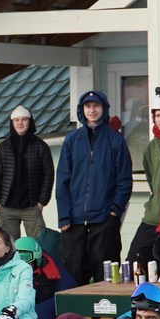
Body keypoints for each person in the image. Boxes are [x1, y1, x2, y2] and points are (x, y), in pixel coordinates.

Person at [55, 90, 132, 284]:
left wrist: (115, 211)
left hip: (104, 219)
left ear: (104, 109)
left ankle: (105, 314)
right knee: (73, 273)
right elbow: (62, 179)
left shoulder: (115, 140)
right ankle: (73, 314)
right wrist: (64, 214)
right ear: (82, 110)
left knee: (105, 273)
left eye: (96, 106)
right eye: (87, 106)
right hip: (73, 221)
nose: (92, 110)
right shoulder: (72, 140)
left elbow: (124, 179)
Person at [0, 104, 55, 245]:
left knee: (40, 246)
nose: (20, 123)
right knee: (8, 249)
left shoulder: (40, 146)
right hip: (7, 207)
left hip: (32, 206)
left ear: (30, 122)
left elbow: (48, 174)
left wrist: (42, 202)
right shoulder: (3, 147)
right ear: (12, 123)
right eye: (16, 120)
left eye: (24, 119)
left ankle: (39, 269)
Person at [126, 102, 160, 274]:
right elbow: (151, 179)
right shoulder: (150, 147)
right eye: (158, 115)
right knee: (135, 264)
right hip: (152, 217)